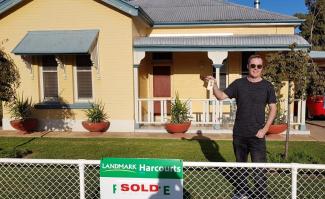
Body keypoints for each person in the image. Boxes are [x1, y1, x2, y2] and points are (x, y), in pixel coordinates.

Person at [205, 54, 276, 199]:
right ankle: (242, 192)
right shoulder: (239, 84)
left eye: (259, 66)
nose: (256, 68)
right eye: (253, 65)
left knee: (259, 169)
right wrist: (215, 84)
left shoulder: (267, 86)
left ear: (262, 68)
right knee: (241, 166)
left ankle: (261, 195)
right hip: (240, 134)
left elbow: (273, 109)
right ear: (248, 66)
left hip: (258, 135)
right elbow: (220, 96)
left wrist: (265, 129)